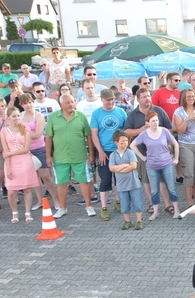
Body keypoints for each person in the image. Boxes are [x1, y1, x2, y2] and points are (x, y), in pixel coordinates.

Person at [45, 94, 96, 218]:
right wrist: (48, 156)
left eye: (72, 102)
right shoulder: (53, 117)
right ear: (61, 104)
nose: (71, 104)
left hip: (80, 156)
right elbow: (49, 137)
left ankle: (89, 206)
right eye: (67, 102)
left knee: (84, 181)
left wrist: (91, 154)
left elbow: (88, 136)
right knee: (61, 183)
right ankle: (62, 208)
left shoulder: (81, 116)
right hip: (60, 157)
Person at [124, 88, 173, 215]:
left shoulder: (159, 111)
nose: (147, 99)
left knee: (162, 180)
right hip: (143, 153)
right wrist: (140, 130)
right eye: (144, 97)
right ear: (138, 99)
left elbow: (169, 129)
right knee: (146, 180)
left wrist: (167, 143)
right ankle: (153, 204)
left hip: (160, 153)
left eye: (149, 96)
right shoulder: (133, 115)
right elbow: (126, 132)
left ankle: (168, 204)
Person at [131, 110, 181, 221]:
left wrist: (176, 158)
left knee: (171, 188)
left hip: (166, 164)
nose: (155, 123)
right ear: (148, 122)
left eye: (157, 120)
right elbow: (133, 145)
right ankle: (155, 212)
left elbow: (175, 143)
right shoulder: (144, 134)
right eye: (153, 121)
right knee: (154, 190)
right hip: (152, 166)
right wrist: (142, 157)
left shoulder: (164, 131)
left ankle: (176, 210)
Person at [90, 89, 128, 221]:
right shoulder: (96, 113)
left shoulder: (121, 112)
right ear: (102, 100)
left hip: (119, 150)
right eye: (108, 100)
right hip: (104, 151)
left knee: (119, 179)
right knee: (105, 180)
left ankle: (118, 201)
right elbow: (94, 134)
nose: (110, 102)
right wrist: (100, 151)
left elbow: (126, 131)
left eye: (112, 99)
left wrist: (125, 148)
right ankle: (104, 207)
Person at [20, 93, 60, 211]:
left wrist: (22, 134)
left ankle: (55, 200)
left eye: (29, 102)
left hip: (39, 148)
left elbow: (38, 134)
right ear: (21, 105)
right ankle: (40, 200)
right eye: (25, 103)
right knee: (34, 177)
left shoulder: (39, 116)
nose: (28, 105)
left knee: (45, 176)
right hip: (26, 150)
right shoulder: (20, 116)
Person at [0, 107, 40, 223]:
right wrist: (8, 168)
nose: (16, 118)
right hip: (11, 163)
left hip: (25, 161)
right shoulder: (4, 131)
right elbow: (5, 151)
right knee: (11, 191)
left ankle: (27, 212)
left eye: (18, 115)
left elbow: (26, 149)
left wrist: (10, 153)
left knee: (27, 189)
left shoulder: (26, 129)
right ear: (8, 117)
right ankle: (14, 212)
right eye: (14, 116)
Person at [109, 130, 144, 230]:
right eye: (122, 141)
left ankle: (139, 220)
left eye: (126, 141)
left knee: (137, 204)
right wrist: (125, 165)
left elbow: (133, 166)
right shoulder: (113, 155)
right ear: (116, 142)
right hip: (121, 185)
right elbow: (111, 168)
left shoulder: (130, 152)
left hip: (133, 184)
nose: (125, 143)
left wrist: (119, 169)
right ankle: (127, 221)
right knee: (124, 205)